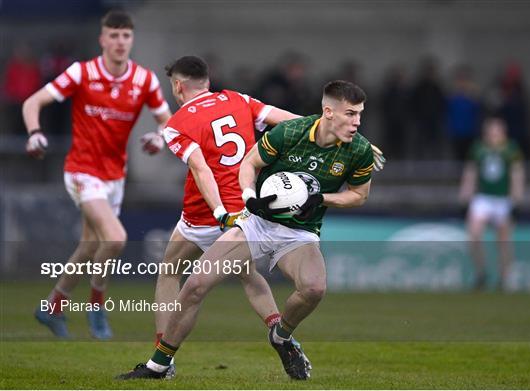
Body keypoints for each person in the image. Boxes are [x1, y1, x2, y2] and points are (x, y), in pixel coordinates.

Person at [118, 80, 376, 380]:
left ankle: (281, 335)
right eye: (350, 114)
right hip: (258, 224)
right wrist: (249, 197)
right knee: (195, 285)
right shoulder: (290, 132)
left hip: (299, 234)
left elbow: (359, 195)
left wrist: (321, 198)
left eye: (359, 114)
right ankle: (158, 366)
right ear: (328, 112)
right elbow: (249, 164)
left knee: (314, 289)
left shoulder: (358, 150)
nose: (357, 121)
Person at [23, 10, 172, 339]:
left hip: (114, 176)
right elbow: (33, 101)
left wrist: (159, 139)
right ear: (102, 39)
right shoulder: (82, 73)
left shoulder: (143, 80)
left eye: (126, 36)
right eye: (114, 35)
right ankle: (96, 306)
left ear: (131, 40)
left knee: (90, 246)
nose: (120, 42)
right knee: (116, 238)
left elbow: (167, 121)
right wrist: (34, 132)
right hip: (81, 171)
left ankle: (52, 308)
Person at [152, 55, 302, 378]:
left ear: (178, 86)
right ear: (208, 80)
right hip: (246, 210)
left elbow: (201, 169)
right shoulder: (239, 99)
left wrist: (219, 212)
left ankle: (162, 360)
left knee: (170, 272)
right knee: (248, 276)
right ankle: (279, 331)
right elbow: (293, 122)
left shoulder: (177, 122)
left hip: (205, 215)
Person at [459, 117, 525, 290]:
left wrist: (516, 200)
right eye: (490, 132)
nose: (492, 136)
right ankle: (481, 273)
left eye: (496, 132)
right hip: (483, 197)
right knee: (473, 235)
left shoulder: (511, 150)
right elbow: (470, 173)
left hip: (503, 199)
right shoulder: (478, 149)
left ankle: (504, 278)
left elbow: (516, 175)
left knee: (503, 240)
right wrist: (465, 195)